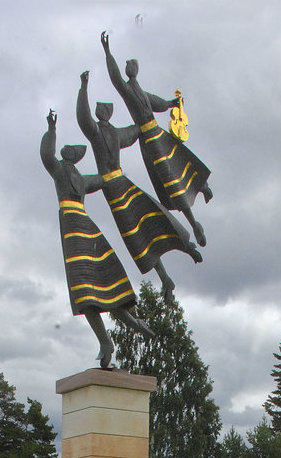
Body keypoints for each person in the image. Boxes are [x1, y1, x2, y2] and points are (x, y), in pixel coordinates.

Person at [40, 109, 154, 369]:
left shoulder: (81, 178)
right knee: (86, 293)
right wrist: (52, 131)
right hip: (72, 229)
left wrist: (116, 172)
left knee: (108, 282)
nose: (70, 153)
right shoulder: (58, 171)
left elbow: (104, 180)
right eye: (68, 150)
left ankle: (134, 323)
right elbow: (47, 155)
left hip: (85, 225)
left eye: (72, 151)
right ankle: (105, 341)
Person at [76, 70, 202, 302]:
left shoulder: (115, 133)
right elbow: (84, 119)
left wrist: (156, 120)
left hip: (119, 185)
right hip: (115, 188)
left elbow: (140, 126)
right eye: (101, 109)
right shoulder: (99, 133)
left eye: (103, 109)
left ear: (107, 113)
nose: (102, 111)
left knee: (153, 219)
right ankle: (167, 276)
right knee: (139, 238)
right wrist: (83, 89)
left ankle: (188, 243)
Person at [101, 32, 212, 247]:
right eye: (127, 66)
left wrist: (171, 103)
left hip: (159, 133)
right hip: (150, 142)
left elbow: (157, 102)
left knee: (184, 161)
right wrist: (107, 53)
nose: (129, 68)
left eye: (131, 65)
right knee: (171, 180)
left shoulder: (141, 90)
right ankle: (193, 224)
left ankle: (203, 187)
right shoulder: (126, 89)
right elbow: (115, 78)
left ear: (136, 70)